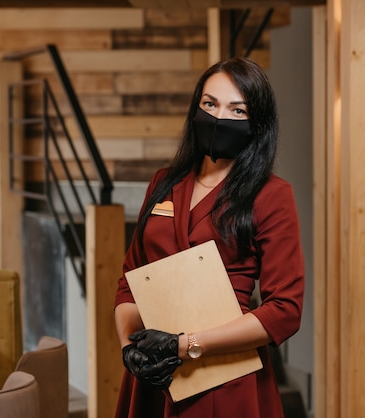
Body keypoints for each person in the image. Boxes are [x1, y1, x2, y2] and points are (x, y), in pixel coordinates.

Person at [114, 56, 305, 418]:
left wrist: (186, 345)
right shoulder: (163, 182)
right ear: (196, 108)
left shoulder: (272, 195)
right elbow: (130, 281)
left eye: (237, 110)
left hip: (226, 378)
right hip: (154, 374)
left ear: (256, 123)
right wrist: (129, 348)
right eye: (210, 104)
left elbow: (285, 310)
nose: (220, 118)